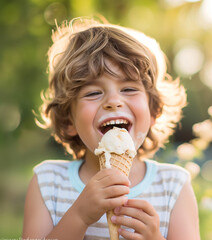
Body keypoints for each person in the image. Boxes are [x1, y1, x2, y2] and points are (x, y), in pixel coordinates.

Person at [22, 16, 200, 240]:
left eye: (129, 89)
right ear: (68, 121)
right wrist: (79, 216)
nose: (113, 101)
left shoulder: (174, 187)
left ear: (153, 111)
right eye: (93, 93)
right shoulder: (48, 183)